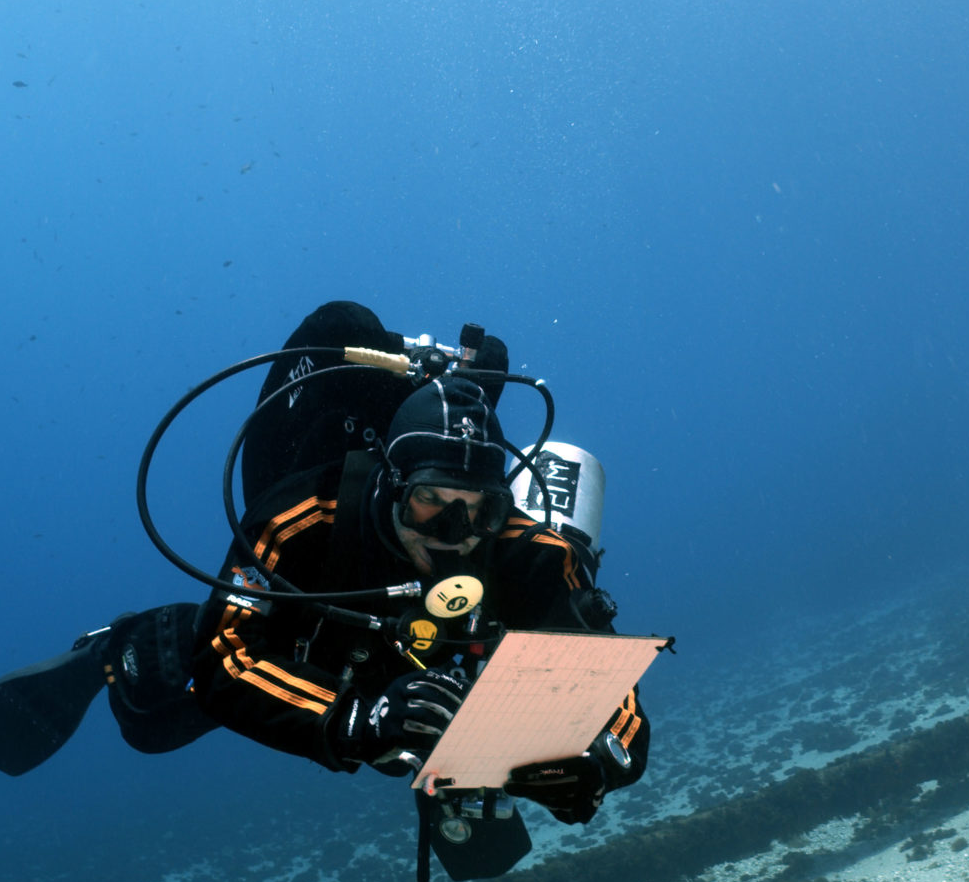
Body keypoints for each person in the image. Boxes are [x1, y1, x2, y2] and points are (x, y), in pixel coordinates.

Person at [194, 319, 649, 837]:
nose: (455, 533)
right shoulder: (300, 520)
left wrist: (597, 764)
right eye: (429, 501)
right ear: (392, 487)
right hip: (314, 652)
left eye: (479, 509)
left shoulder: (524, 546)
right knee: (159, 715)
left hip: (425, 667)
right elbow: (219, 656)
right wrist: (357, 720)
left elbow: (602, 676)